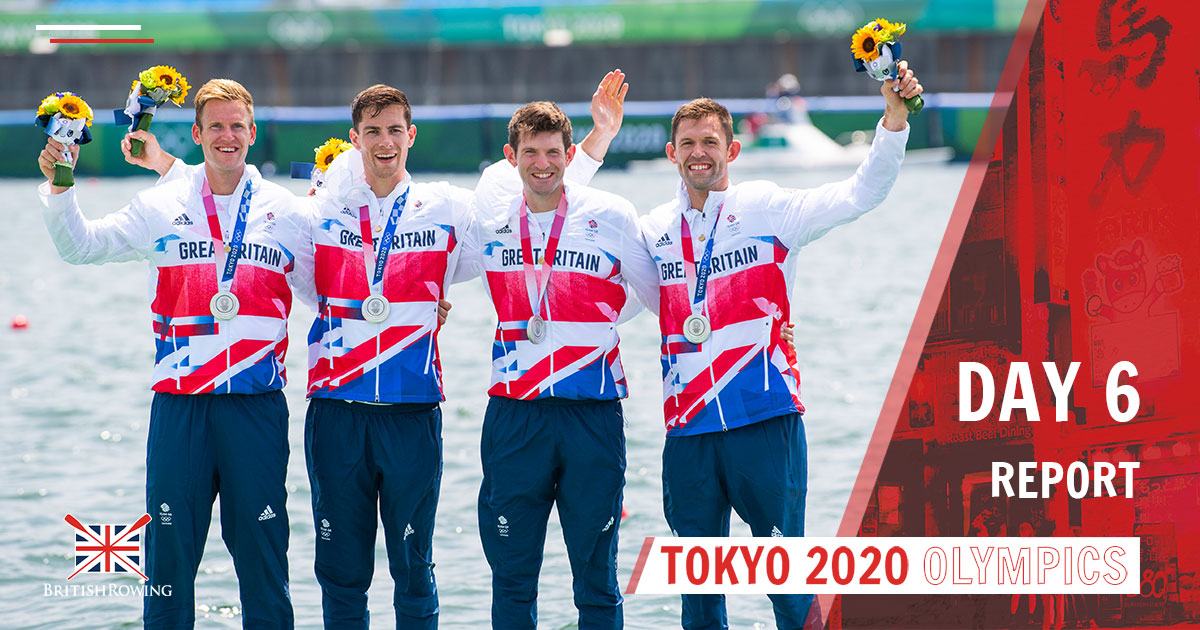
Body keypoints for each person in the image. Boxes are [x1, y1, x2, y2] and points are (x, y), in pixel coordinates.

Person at [125, 71, 630, 630]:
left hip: (413, 416)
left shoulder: (448, 207)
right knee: (341, 577)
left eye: (395, 130)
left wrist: (597, 143)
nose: (385, 141)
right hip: (337, 414)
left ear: (411, 136)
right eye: (372, 132)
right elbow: (229, 194)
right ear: (355, 138)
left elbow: (536, 199)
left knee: (414, 574)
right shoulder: (317, 211)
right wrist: (166, 167)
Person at [638, 61, 923, 630]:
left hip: (764, 419)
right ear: (672, 153)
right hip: (688, 434)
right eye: (688, 143)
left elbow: (861, 194)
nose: (700, 153)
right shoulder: (653, 232)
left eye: (711, 142)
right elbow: (600, 300)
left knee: (788, 590)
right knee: (699, 602)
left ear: (733, 150)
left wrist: (893, 118)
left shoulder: (768, 209)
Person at [36, 78, 312, 629]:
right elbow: (79, 246)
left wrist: (430, 306)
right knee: (167, 566)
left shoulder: (288, 212)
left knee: (264, 564)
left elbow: (333, 295)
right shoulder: (160, 205)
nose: (227, 136)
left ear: (252, 134)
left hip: (255, 408)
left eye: (237, 126)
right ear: (197, 134)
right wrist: (62, 183)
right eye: (216, 126)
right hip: (180, 409)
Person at [467, 101, 659, 630]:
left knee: (597, 578)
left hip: (591, 413)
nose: (543, 163)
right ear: (512, 157)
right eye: (530, 152)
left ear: (570, 155)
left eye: (554, 152)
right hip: (514, 415)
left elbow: (662, 296)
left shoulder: (613, 214)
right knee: (511, 577)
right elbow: (414, 269)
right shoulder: (487, 219)